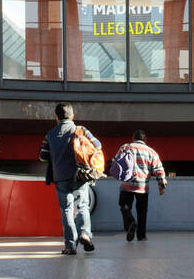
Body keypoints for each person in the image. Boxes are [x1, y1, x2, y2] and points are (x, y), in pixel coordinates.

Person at [39, 103, 101, 255]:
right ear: (72, 116)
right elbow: (97, 145)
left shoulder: (50, 134)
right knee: (82, 206)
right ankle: (85, 233)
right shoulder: (81, 130)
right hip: (80, 175)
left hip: (60, 177)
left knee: (66, 210)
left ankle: (70, 245)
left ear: (57, 118)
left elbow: (42, 157)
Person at [111, 130, 167, 242]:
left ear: (133, 138)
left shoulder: (125, 147)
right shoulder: (151, 152)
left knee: (124, 206)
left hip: (127, 184)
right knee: (142, 211)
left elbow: (115, 162)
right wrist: (161, 184)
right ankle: (141, 236)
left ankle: (130, 223)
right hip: (142, 186)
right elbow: (158, 170)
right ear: (145, 139)